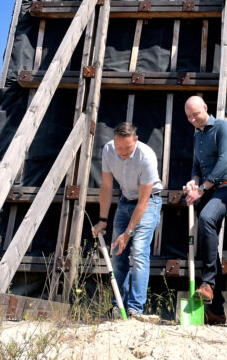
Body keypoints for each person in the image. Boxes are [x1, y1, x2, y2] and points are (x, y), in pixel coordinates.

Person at [92, 122, 162, 320]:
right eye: (119, 146)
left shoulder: (146, 156)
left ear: (136, 140)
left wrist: (128, 233)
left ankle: (134, 309)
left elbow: (144, 200)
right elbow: (106, 186)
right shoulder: (108, 150)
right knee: (117, 251)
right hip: (124, 202)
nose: (122, 151)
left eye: (127, 147)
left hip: (148, 203)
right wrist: (103, 220)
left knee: (138, 251)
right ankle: (118, 306)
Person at [183, 95, 227, 325]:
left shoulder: (222, 127)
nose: (193, 119)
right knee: (209, 246)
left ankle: (207, 284)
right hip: (209, 191)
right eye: (188, 117)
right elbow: (196, 167)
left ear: (205, 108)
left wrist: (203, 188)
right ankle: (217, 312)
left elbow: (226, 161)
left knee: (206, 217)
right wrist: (193, 182)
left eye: (195, 114)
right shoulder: (197, 134)